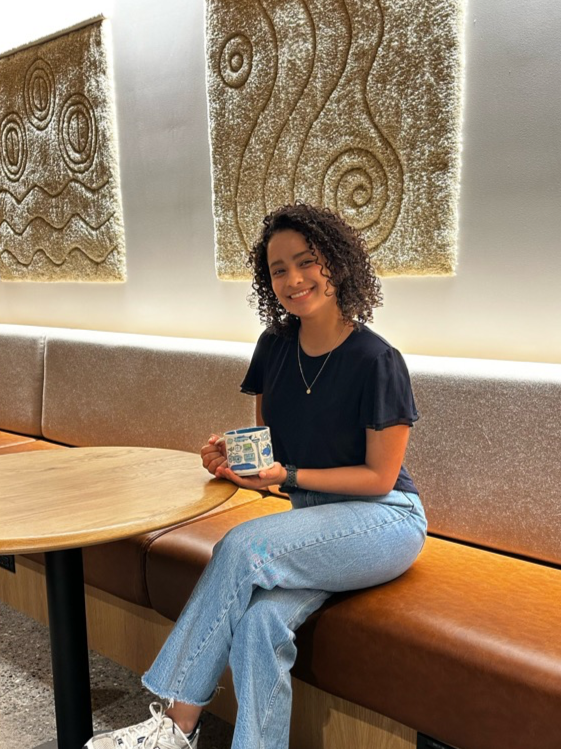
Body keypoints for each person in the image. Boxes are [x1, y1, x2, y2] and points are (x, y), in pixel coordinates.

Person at [85, 203, 427, 749]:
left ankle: (175, 724)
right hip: (310, 523)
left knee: (243, 546)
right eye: (278, 269)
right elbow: (271, 452)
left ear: (335, 264)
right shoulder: (274, 347)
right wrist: (232, 457)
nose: (294, 279)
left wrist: (284, 473)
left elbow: (380, 478)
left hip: (384, 522)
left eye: (306, 261)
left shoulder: (376, 359)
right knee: (258, 628)